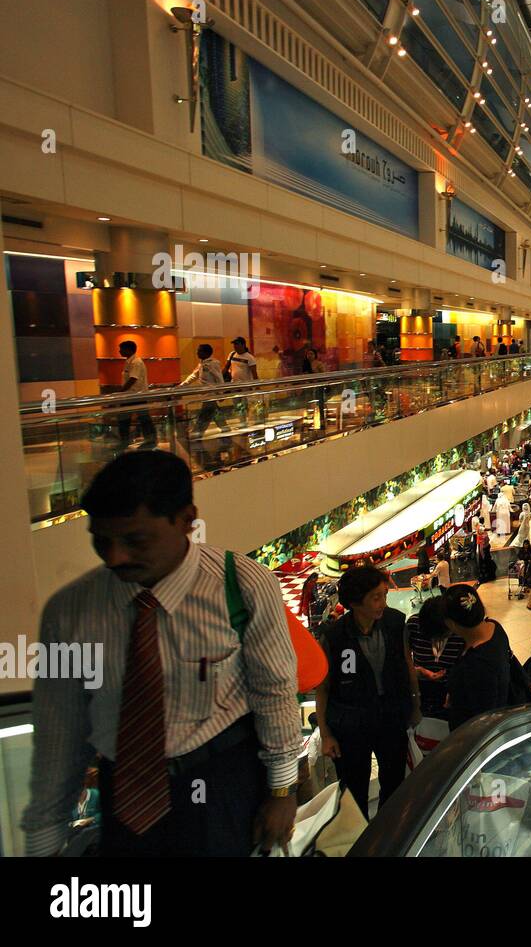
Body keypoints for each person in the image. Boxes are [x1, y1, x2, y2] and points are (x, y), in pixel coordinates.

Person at [21, 450, 300, 857]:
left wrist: (281, 790)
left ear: (187, 520)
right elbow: (59, 733)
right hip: (126, 795)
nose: (115, 557)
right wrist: (44, 841)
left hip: (220, 782)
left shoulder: (241, 585)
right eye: (102, 541)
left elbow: (274, 691)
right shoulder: (71, 611)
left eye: (135, 540)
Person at [317, 565, 420, 820]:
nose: (383, 603)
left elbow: (408, 665)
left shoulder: (395, 622)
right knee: (353, 792)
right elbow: (323, 688)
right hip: (351, 726)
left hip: (391, 718)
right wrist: (327, 734)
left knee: (395, 784)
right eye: (375, 597)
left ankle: (388, 833)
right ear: (355, 602)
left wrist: (415, 705)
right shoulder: (335, 636)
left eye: (384, 595)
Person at [421, 585, 513, 730]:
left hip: (472, 733)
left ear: (451, 624)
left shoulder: (476, 664)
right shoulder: (494, 627)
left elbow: (482, 718)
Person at [114, 340, 157, 450]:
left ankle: (150, 440)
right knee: (127, 418)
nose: (120, 351)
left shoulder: (136, 362)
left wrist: (120, 392)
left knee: (141, 418)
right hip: (130, 396)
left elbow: (133, 379)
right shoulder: (129, 361)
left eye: (121, 349)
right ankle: (126, 441)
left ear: (128, 350)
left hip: (136, 396)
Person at [179, 342, 225, 440]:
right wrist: (182, 386)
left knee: (205, 415)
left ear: (206, 353)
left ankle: (197, 433)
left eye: (199, 351)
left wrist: (221, 394)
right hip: (205, 394)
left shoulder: (213, 363)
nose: (197, 353)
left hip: (210, 394)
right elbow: (194, 375)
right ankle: (225, 427)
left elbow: (219, 378)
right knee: (214, 411)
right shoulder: (202, 363)